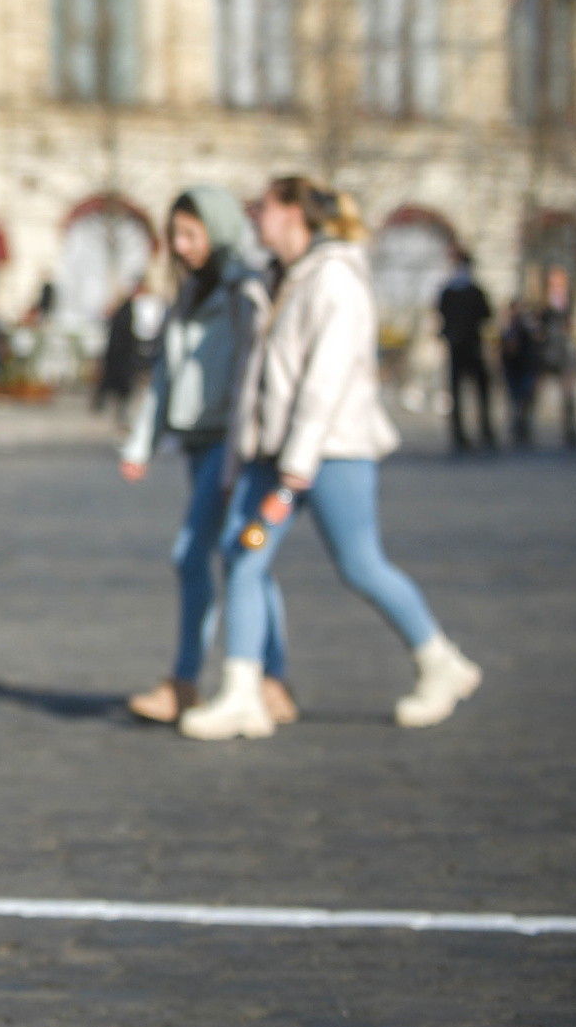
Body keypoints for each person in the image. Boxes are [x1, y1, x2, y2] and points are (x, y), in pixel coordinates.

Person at [182, 177, 483, 740]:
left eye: (265, 207)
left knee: (360, 565)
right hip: (273, 453)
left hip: (333, 452)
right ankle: (244, 692)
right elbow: (254, 381)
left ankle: (441, 662)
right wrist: (239, 463)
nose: (255, 216)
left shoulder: (336, 279)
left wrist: (296, 466)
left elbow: (326, 381)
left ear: (296, 213)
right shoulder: (275, 277)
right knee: (242, 555)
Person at [119, 187, 294, 727]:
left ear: (216, 231)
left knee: (196, 553)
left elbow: (258, 366)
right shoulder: (189, 291)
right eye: (174, 233)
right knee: (244, 555)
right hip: (196, 439)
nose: (179, 244)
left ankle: (188, 680)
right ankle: (271, 679)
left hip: (231, 439)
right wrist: (141, 443)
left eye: (190, 233)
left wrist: (259, 439)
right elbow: (167, 374)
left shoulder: (244, 290)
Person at [437, 251, 496, 453]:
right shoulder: (469, 291)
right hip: (468, 347)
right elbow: (486, 314)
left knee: (469, 391)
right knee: (472, 392)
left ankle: (472, 432)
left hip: (464, 347)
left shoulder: (452, 292)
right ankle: (474, 432)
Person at [536, 267, 576, 449]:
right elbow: (541, 324)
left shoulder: (569, 300)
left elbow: (571, 326)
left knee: (568, 394)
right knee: (534, 390)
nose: (558, 284)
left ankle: (570, 430)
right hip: (547, 352)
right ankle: (523, 425)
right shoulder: (545, 302)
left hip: (564, 353)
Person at [94, 286, 144, 425]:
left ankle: (111, 409)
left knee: (113, 384)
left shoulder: (124, 310)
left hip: (118, 354)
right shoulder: (127, 311)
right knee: (121, 386)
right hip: (122, 355)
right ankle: (118, 414)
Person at [499, 295, 543, 447]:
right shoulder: (508, 327)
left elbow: (535, 345)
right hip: (514, 368)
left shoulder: (528, 327)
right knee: (516, 400)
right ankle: (518, 429)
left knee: (524, 399)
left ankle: (522, 429)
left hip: (525, 367)